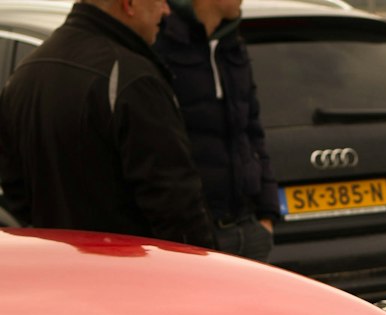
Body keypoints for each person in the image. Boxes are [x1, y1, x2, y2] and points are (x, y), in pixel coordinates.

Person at [0, 0, 214, 246]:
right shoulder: (132, 77)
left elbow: (16, 193)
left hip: (59, 270)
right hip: (133, 272)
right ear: (130, 4)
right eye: (159, 0)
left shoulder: (25, 74)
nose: (166, 10)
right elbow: (175, 203)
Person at [155, 0, 279, 261]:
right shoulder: (161, 43)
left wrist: (267, 213)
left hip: (249, 227)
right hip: (197, 238)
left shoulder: (231, 43)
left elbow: (253, 131)